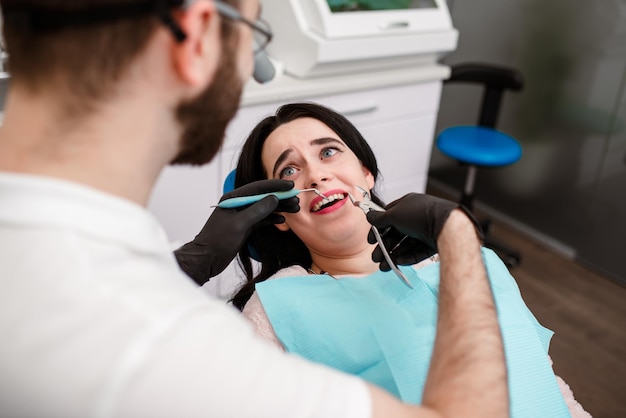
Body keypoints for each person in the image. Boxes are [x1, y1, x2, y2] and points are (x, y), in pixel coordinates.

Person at [0, 0, 508, 417]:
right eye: (254, 36)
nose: (315, 174)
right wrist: (460, 237)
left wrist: (185, 264)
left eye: (329, 151)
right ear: (197, 35)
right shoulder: (208, 332)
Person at [227, 102, 591, 418]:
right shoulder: (275, 308)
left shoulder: (463, 260)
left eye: (327, 153)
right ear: (278, 215)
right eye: (289, 171)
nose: (317, 175)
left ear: (366, 173)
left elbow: (541, 376)